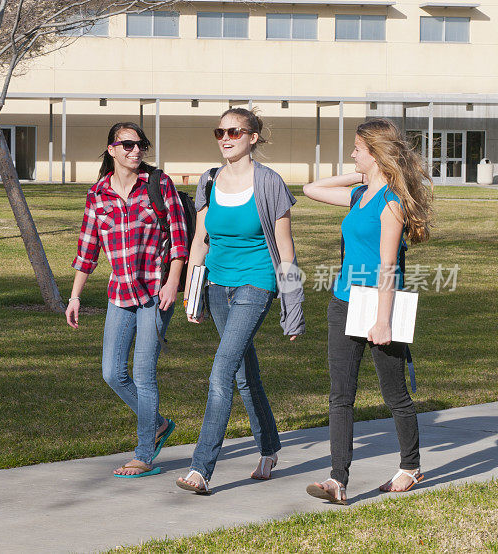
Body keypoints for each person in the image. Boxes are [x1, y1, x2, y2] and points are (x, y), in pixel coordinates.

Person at [303, 118, 433, 505]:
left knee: (395, 395)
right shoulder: (360, 195)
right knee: (340, 395)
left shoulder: (390, 202)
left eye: (358, 149)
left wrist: (382, 320)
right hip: (343, 303)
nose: (352, 153)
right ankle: (336, 480)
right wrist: (363, 171)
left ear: (375, 152)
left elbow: (388, 267)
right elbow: (311, 188)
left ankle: (410, 467)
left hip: (379, 307)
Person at [176, 108, 305, 495]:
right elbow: (200, 238)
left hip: (256, 283)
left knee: (221, 372)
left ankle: (201, 469)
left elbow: (285, 250)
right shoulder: (209, 180)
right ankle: (269, 448)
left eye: (234, 131)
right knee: (244, 374)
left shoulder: (269, 183)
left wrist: (293, 306)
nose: (225, 138)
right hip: (217, 285)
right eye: (220, 131)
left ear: (253, 137)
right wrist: (191, 291)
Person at [65, 122, 189, 478]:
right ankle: (160, 424)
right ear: (112, 149)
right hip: (120, 294)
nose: (136, 151)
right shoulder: (97, 195)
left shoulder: (158, 184)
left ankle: (144, 454)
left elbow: (179, 238)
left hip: (155, 293)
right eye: (128, 145)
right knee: (111, 373)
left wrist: (172, 283)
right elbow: (87, 250)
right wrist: (74, 296)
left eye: (141, 145)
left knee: (143, 374)